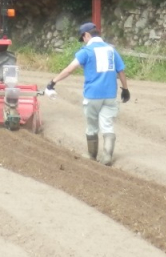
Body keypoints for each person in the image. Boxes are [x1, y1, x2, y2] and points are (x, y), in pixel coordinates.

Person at [48, 22, 130, 165]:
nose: (84, 41)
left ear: (87, 35)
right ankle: (107, 156)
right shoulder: (111, 50)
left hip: (92, 95)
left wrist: (53, 82)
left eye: (83, 38)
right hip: (110, 95)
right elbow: (120, 71)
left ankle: (92, 155)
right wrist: (125, 89)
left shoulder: (86, 51)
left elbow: (69, 69)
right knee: (108, 124)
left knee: (92, 125)